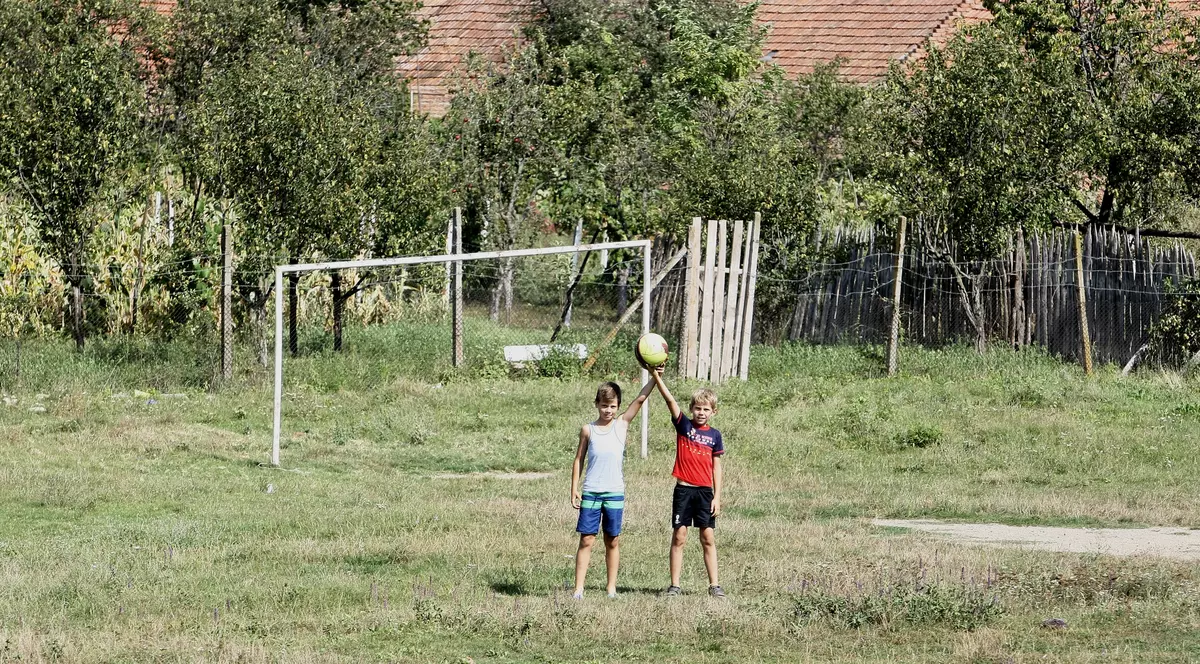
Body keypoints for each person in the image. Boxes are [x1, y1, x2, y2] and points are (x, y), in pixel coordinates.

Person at [570, 378, 656, 599]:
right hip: (591, 492)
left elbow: (640, 399)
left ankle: (611, 588)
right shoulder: (588, 430)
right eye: (604, 405)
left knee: (612, 540)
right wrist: (574, 488)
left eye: (613, 406)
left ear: (618, 406)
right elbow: (579, 459)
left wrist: (655, 377)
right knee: (587, 539)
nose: (608, 410)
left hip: (614, 492)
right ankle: (578, 589)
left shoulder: (621, 425)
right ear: (596, 404)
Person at [649, 371, 725, 598]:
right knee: (679, 536)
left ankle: (714, 585)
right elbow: (670, 400)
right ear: (691, 409)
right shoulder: (684, 426)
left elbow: (716, 467)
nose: (701, 413)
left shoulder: (715, 435)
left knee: (708, 537)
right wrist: (656, 376)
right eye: (697, 408)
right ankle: (675, 585)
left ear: (713, 412)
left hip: (705, 493)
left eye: (706, 409)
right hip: (684, 490)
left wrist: (717, 497)